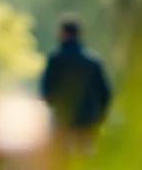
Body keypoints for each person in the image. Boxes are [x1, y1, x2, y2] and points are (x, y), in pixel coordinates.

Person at [40, 15, 112, 156]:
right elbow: (105, 92)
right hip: (88, 121)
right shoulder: (93, 61)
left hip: (64, 120)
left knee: (63, 158)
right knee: (85, 158)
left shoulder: (55, 60)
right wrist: (100, 115)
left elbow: (46, 91)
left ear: (63, 33)